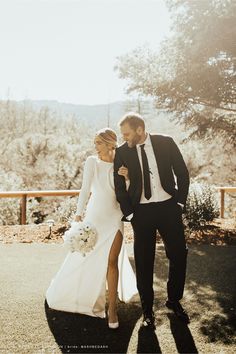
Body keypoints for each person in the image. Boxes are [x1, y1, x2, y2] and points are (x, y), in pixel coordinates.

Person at [46, 128, 137, 329]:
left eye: (98, 142)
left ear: (110, 144)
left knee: (112, 262)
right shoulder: (91, 162)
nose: (95, 146)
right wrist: (79, 214)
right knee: (83, 258)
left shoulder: (122, 165)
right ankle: (74, 293)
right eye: (95, 142)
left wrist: (128, 178)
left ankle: (112, 309)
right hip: (94, 218)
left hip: (114, 218)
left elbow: (127, 194)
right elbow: (85, 189)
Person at [113, 112, 190, 329]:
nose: (124, 139)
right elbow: (119, 186)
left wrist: (180, 204)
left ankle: (174, 300)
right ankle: (147, 311)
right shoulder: (122, 152)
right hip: (141, 213)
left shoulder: (165, 143)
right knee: (144, 261)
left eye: (127, 134)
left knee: (178, 254)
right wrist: (130, 213)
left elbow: (182, 173)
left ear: (139, 129)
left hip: (169, 208)